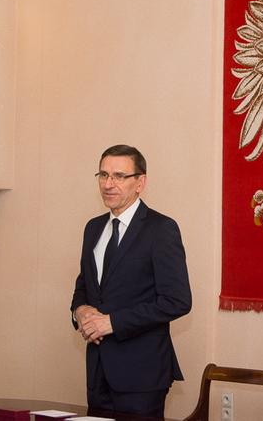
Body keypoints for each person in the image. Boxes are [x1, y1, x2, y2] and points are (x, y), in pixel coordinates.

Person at [71, 144, 192, 419]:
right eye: (103, 175)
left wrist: (112, 322)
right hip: (98, 370)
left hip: (142, 374)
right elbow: (84, 285)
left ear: (140, 183)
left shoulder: (161, 229)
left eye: (119, 176)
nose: (108, 184)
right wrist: (81, 310)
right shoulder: (93, 228)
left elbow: (177, 301)